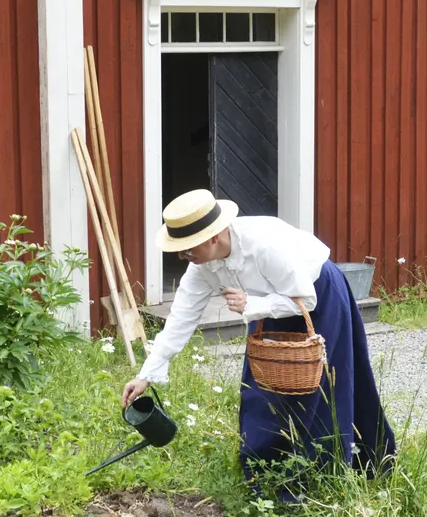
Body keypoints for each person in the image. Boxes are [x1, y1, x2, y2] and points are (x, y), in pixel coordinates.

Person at [121, 189, 396, 498]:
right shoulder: (202, 267)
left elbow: (305, 298)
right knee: (262, 388)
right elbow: (181, 317)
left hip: (319, 297)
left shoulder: (263, 245)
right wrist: (146, 374)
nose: (182, 257)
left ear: (212, 237)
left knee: (324, 386)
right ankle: (267, 479)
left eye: (187, 249)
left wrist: (253, 304)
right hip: (268, 307)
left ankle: (327, 477)